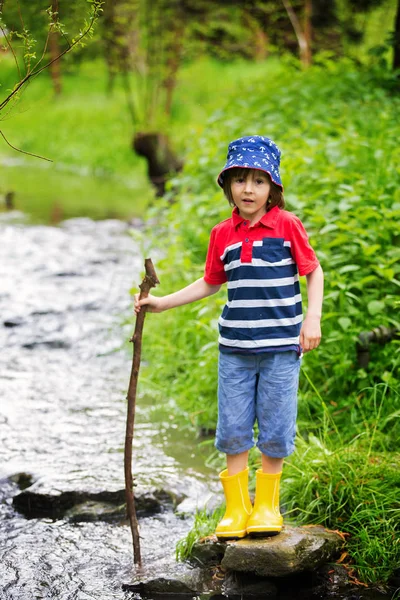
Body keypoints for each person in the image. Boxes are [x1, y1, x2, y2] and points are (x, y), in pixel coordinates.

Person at [134, 135, 324, 540]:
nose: (249, 189)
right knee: (233, 428)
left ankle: (267, 507)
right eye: (240, 180)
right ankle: (237, 509)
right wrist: (163, 302)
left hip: (280, 349)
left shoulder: (287, 226)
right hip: (235, 349)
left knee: (275, 427)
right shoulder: (224, 233)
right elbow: (210, 282)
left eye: (258, 180)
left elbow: (313, 271)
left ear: (273, 187)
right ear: (228, 186)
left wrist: (313, 319)